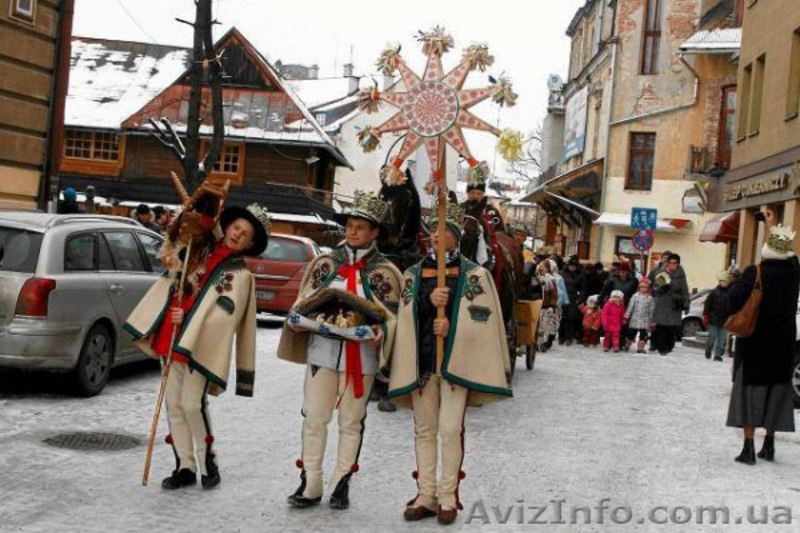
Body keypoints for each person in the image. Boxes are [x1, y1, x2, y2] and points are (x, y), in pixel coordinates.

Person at [124, 203, 268, 490]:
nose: (238, 235)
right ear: (227, 228)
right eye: (236, 228)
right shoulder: (199, 251)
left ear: (250, 244)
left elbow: (224, 318)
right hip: (171, 335)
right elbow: (174, 272)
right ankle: (185, 466)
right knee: (174, 406)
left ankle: (207, 462)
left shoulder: (241, 276)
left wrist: (188, 317)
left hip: (198, 347)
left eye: (245, 234)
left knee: (192, 405)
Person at [387, 200, 511, 525]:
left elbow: (482, 322)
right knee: (424, 430)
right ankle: (425, 495)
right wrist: (429, 306)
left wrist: (451, 326)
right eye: (432, 230)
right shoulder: (414, 275)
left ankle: (447, 497)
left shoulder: (476, 276)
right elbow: (404, 318)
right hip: (424, 364)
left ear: (456, 236)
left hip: (455, 366)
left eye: (443, 231)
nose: (435, 237)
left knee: (449, 429)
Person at [277, 190, 402, 510]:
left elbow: (393, 319)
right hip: (322, 350)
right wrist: (296, 319)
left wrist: (379, 332)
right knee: (314, 416)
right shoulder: (325, 263)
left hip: (362, 358)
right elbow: (304, 299)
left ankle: (341, 481)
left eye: (362, 226)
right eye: (350, 224)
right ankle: (310, 481)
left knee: (351, 420)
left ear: (375, 232)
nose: (353, 231)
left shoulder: (385, 272)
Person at [726, 225, 799, 465]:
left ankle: (748, 447)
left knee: (750, 394)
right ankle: (769, 444)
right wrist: (773, 229)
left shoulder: (754, 272)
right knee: (776, 393)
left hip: (756, 343)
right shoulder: (794, 273)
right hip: (784, 345)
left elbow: (734, 300)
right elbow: (791, 257)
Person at [650, 253, 690, 355]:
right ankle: (661, 348)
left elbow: (684, 289)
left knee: (672, 328)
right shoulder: (661, 272)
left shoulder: (681, 274)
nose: (672, 265)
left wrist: (686, 303)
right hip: (662, 303)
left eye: (675, 263)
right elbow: (654, 289)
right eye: (670, 263)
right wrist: (661, 288)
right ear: (667, 263)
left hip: (674, 303)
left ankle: (669, 346)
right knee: (661, 327)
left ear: (678, 264)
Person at [703, 272, 731, 361]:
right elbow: (707, 304)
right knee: (712, 338)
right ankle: (708, 349)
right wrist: (706, 315)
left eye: (726, 282)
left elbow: (731, 306)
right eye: (723, 281)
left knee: (721, 340)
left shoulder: (730, 293)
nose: (724, 283)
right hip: (713, 319)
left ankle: (718, 355)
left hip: (724, 320)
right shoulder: (714, 292)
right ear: (719, 282)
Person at [559, 257, 584, 346]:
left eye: (574, 266)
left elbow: (582, 288)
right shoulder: (562, 273)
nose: (572, 268)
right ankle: (561, 337)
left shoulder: (579, 275)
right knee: (562, 318)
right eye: (571, 266)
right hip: (562, 297)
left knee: (571, 318)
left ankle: (569, 337)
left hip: (573, 298)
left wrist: (580, 299)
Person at [625, 279, 655, 353]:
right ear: (639, 287)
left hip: (645, 320)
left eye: (645, 287)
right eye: (641, 287)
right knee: (631, 333)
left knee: (644, 334)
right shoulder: (635, 296)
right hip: (634, 318)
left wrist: (653, 321)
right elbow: (630, 306)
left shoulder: (650, 298)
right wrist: (626, 316)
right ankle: (627, 345)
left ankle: (640, 348)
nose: (643, 289)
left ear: (648, 288)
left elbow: (652, 310)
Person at [536, 260, 560, 352]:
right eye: (540, 266)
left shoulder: (550, 280)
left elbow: (554, 295)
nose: (541, 268)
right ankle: (536, 343)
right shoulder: (536, 278)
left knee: (544, 326)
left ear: (547, 268)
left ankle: (543, 344)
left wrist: (552, 305)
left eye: (543, 266)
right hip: (537, 305)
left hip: (546, 307)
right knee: (537, 326)